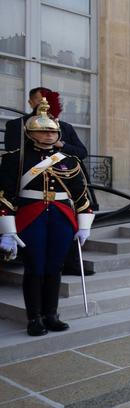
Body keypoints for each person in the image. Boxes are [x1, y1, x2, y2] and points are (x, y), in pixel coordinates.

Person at [0, 96, 94, 336]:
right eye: (43, 132)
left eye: (53, 132)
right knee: (35, 267)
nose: (49, 136)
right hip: (31, 216)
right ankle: (34, 318)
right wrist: (8, 230)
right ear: (31, 133)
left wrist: (84, 225)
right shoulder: (16, 158)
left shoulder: (68, 160)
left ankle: (51, 315)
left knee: (55, 266)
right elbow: (5, 195)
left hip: (62, 217)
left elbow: (81, 194)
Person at [5, 87, 93, 277]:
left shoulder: (65, 127)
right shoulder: (17, 125)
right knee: (35, 261)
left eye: (47, 100)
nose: (43, 104)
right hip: (30, 189)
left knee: (65, 233)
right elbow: (14, 154)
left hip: (64, 180)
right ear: (31, 102)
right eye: (38, 100)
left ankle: (70, 263)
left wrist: (59, 144)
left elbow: (81, 152)